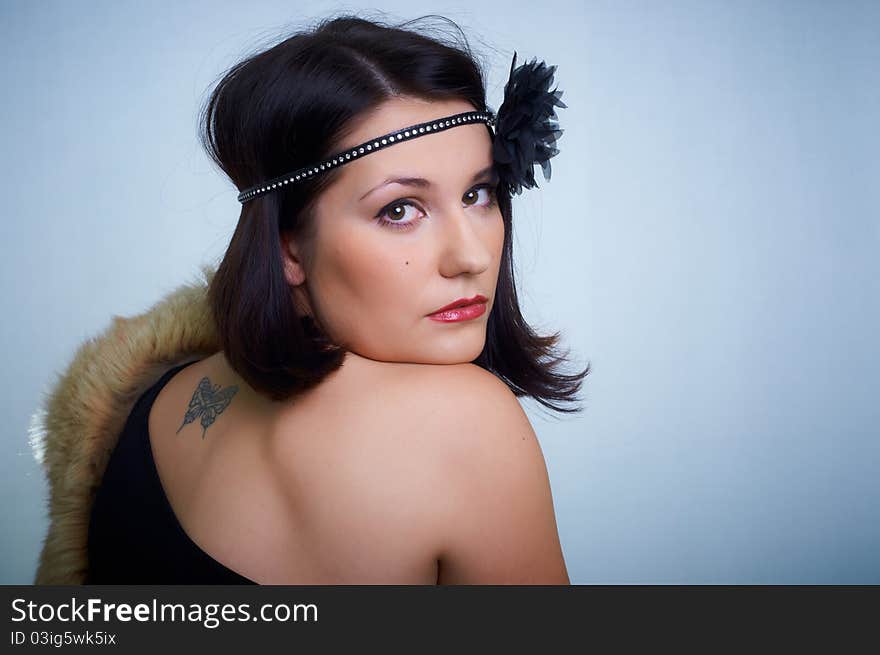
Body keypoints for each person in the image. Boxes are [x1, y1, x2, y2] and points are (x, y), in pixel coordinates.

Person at [31, 13, 589, 585]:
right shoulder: (467, 422)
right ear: (288, 247)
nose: (470, 256)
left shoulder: (158, 396)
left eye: (478, 194)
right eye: (400, 210)